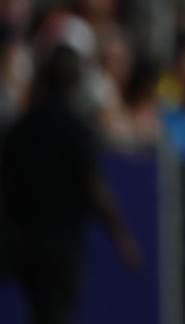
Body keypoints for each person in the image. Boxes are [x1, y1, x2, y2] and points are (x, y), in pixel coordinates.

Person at [1, 41, 141, 324]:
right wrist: (121, 236)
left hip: (27, 245)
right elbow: (94, 187)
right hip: (60, 249)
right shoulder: (74, 130)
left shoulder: (22, 128)